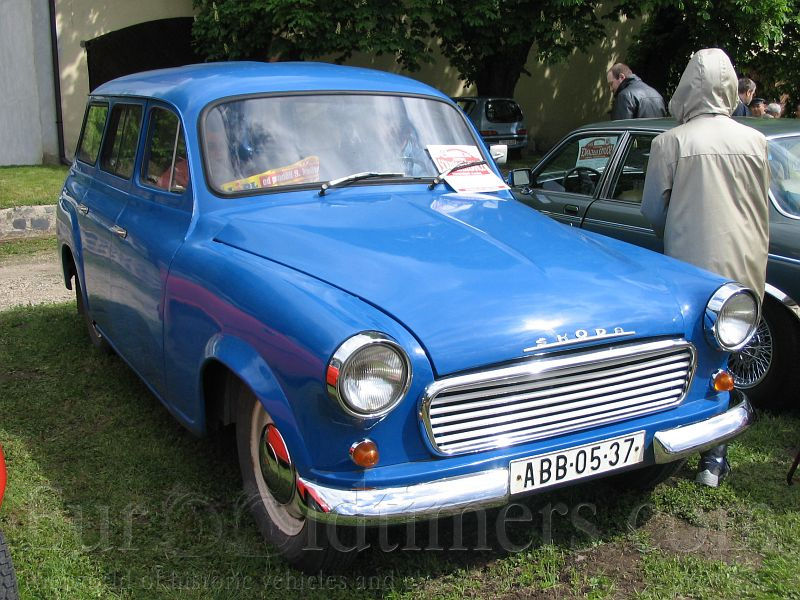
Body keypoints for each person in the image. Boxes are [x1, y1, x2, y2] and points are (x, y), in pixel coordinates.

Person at [641, 48, 769, 488]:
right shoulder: (755, 140)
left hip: (690, 265)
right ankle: (715, 458)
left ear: (688, 87)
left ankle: (690, 442)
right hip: (745, 257)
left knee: (688, 355)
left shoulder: (671, 143)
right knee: (729, 350)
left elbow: (652, 211)